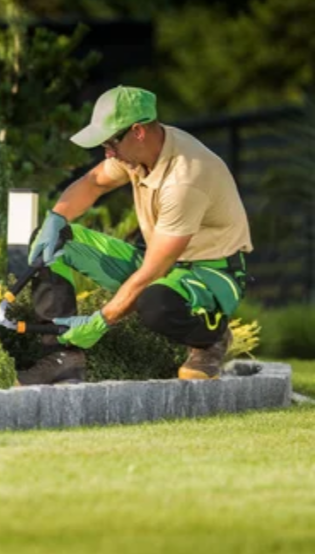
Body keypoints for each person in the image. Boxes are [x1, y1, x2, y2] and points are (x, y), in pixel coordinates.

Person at [17, 86, 253, 385]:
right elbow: (93, 183)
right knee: (52, 243)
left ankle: (211, 336)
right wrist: (55, 218)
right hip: (160, 260)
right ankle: (63, 358)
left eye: (110, 142)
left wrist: (99, 322)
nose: (107, 152)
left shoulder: (185, 179)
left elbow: (153, 272)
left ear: (138, 131)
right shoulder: (136, 154)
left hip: (210, 272)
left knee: (155, 303)